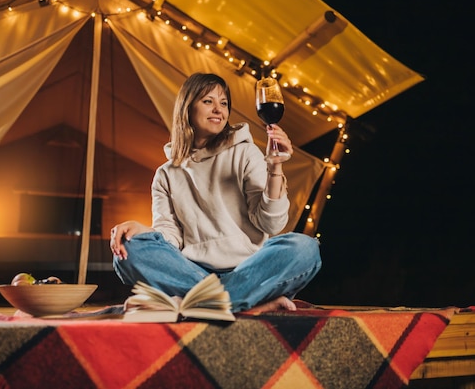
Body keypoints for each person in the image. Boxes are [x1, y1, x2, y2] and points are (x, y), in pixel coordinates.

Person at [110, 72, 321, 313]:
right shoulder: (166, 174)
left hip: (249, 268)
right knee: (128, 250)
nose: (218, 110)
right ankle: (245, 301)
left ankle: (198, 301)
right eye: (208, 101)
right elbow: (169, 237)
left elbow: (270, 224)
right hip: (191, 271)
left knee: (304, 249)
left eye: (224, 103)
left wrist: (275, 167)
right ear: (187, 108)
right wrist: (144, 231)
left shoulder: (245, 153)